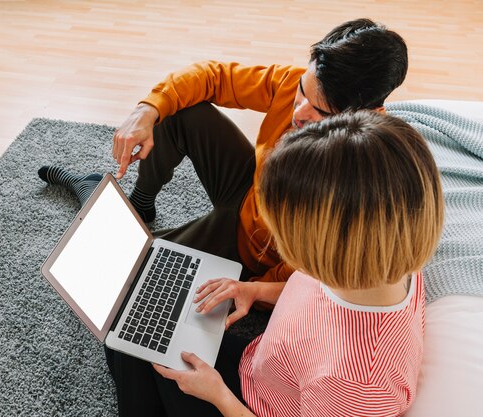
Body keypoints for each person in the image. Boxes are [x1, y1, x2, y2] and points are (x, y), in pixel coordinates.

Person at [38, 18, 409, 304]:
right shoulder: (296, 86)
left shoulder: (365, 178)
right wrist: (147, 108)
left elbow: (320, 280)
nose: (298, 114)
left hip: (261, 251)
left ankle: (88, 187)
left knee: (127, 270)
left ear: (369, 113)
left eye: (320, 112)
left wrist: (254, 290)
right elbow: (212, 76)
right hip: (250, 192)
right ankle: (142, 201)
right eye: (301, 93)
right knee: (179, 110)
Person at [106, 110, 444, 417]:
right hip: (266, 370)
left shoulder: (356, 383)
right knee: (138, 322)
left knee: (127, 340)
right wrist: (254, 289)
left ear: (328, 246)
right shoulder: (387, 256)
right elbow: (317, 299)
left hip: (245, 403)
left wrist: (218, 395)